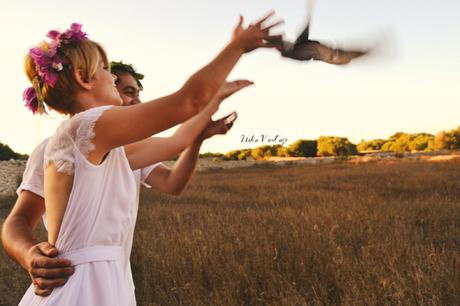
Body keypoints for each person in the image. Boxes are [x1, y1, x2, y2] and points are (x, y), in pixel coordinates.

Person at [9, 13, 281, 305]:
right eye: (104, 68)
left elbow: (177, 141)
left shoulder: (104, 145)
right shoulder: (87, 127)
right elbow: (188, 102)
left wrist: (213, 101)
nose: (112, 75)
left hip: (107, 279)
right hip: (82, 285)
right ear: (82, 78)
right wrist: (237, 46)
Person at [1, 61, 238, 298]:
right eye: (127, 91)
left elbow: (172, 182)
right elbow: (18, 220)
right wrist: (29, 254)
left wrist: (196, 140)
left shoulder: (125, 150)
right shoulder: (55, 148)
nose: (137, 102)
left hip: (114, 281)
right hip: (78, 281)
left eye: (138, 93)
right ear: (90, 85)